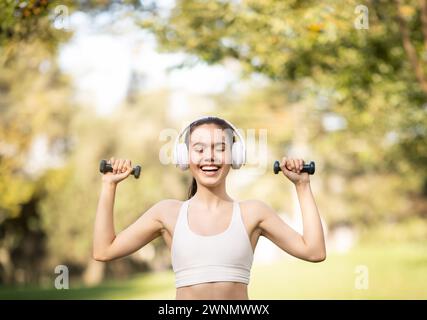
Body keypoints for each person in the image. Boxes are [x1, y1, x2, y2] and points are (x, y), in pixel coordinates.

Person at [93, 116, 326, 300]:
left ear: (235, 155)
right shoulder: (167, 213)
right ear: (184, 156)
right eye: (200, 148)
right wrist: (108, 185)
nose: (210, 157)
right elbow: (104, 250)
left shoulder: (254, 212)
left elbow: (314, 252)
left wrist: (302, 186)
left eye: (220, 148)